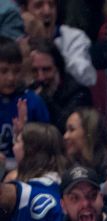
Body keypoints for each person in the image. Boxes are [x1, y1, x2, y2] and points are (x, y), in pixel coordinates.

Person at [0, 122, 67, 221]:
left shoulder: (38, 196)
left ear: (31, 149)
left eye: (18, 141)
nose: (13, 147)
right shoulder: (60, 181)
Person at [20, 0, 96, 87]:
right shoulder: (16, 40)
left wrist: (48, 46)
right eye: (39, 5)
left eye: (51, 5)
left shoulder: (74, 37)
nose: (47, 12)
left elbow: (88, 78)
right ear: (24, 11)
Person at [0, 36, 49, 169]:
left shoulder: (32, 101)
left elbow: (47, 146)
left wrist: (26, 133)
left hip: (27, 169)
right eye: (3, 71)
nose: (11, 78)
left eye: (16, 71)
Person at [27, 38, 91, 132]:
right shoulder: (28, 89)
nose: (41, 77)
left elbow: (65, 128)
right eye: (34, 71)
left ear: (58, 68)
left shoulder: (78, 92)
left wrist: (43, 99)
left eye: (46, 70)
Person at [63, 107, 107, 182]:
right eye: (66, 130)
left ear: (88, 132)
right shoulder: (67, 167)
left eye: (71, 129)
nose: (65, 136)